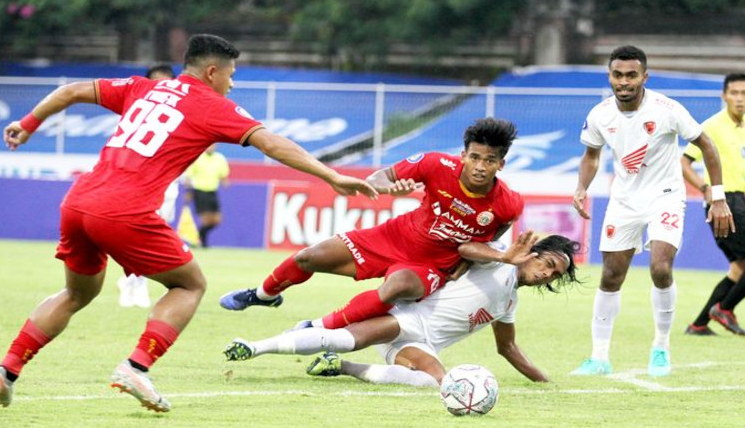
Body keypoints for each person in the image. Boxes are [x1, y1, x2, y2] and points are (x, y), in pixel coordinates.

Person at [0, 34, 377, 412]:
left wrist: (27, 123)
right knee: (190, 284)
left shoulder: (141, 88)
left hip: (78, 202)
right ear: (212, 72)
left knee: (76, 294)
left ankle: (6, 371)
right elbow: (272, 144)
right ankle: (136, 367)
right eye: (231, 75)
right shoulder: (211, 105)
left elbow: (73, 90)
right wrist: (331, 176)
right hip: (125, 210)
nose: (232, 83)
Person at [219, 118, 525, 332]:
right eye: (475, 157)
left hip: (432, 264)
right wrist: (392, 188)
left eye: (490, 160)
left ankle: (315, 328)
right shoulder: (434, 164)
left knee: (397, 286)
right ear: (463, 156)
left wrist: (464, 263)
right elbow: (378, 178)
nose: (480, 167)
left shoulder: (508, 203)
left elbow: (489, 238)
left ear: (501, 164)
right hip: (393, 237)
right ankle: (263, 295)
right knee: (308, 257)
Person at [223, 232, 580, 386]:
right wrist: (502, 254)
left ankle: (342, 368)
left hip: (423, 347)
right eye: (547, 263)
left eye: (554, 274)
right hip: (404, 317)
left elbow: (508, 348)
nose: (546, 274)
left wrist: (543, 381)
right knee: (343, 338)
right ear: (534, 252)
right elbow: (465, 249)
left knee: (439, 383)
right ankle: (254, 346)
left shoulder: (510, 302)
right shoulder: (498, 258)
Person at [570, 45, 734, 377]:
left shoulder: (667, 109)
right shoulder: (600, 114)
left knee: (660, 267)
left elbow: (707, 146)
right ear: (610, 77)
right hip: (624, 201)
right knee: (611, 276)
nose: (624, 82)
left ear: (645, 76)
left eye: (632, 75)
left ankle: (661, 347)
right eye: (618, 75)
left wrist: (718, 197)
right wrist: (581, 187)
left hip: (666, 197)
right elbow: (591, 155)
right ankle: (599, 357)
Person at [683, 73, 745, 337]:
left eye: (744, 93)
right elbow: (684, 162)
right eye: (733, 93)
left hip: (739, 201)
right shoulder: (710, 126)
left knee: (740, 268)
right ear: (724, 96)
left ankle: (699, 324)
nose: (739, 98)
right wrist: (706, 189)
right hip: (722, 203)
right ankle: (724, 308)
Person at [117, 63, 178, 309]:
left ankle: (133, 279)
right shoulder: (138, 110)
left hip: (169, 180)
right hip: (138, 180)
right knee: (137, 231)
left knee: (158, 230)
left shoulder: (183, 110)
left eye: (166, 81)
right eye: (155, 82)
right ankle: (135, 281)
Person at [184, 143, 229, 247]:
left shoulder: (220, 158)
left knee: (217, 220)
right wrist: (188, 191)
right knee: (205, 219)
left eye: (213, 145)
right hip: (200, 191)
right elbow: (189, 176)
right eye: (209, 145)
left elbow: (223, 175)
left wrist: (225, 182)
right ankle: (203, 243)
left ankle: (197, 237)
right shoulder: (198, 157)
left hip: (212, 191)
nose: (211, 147)